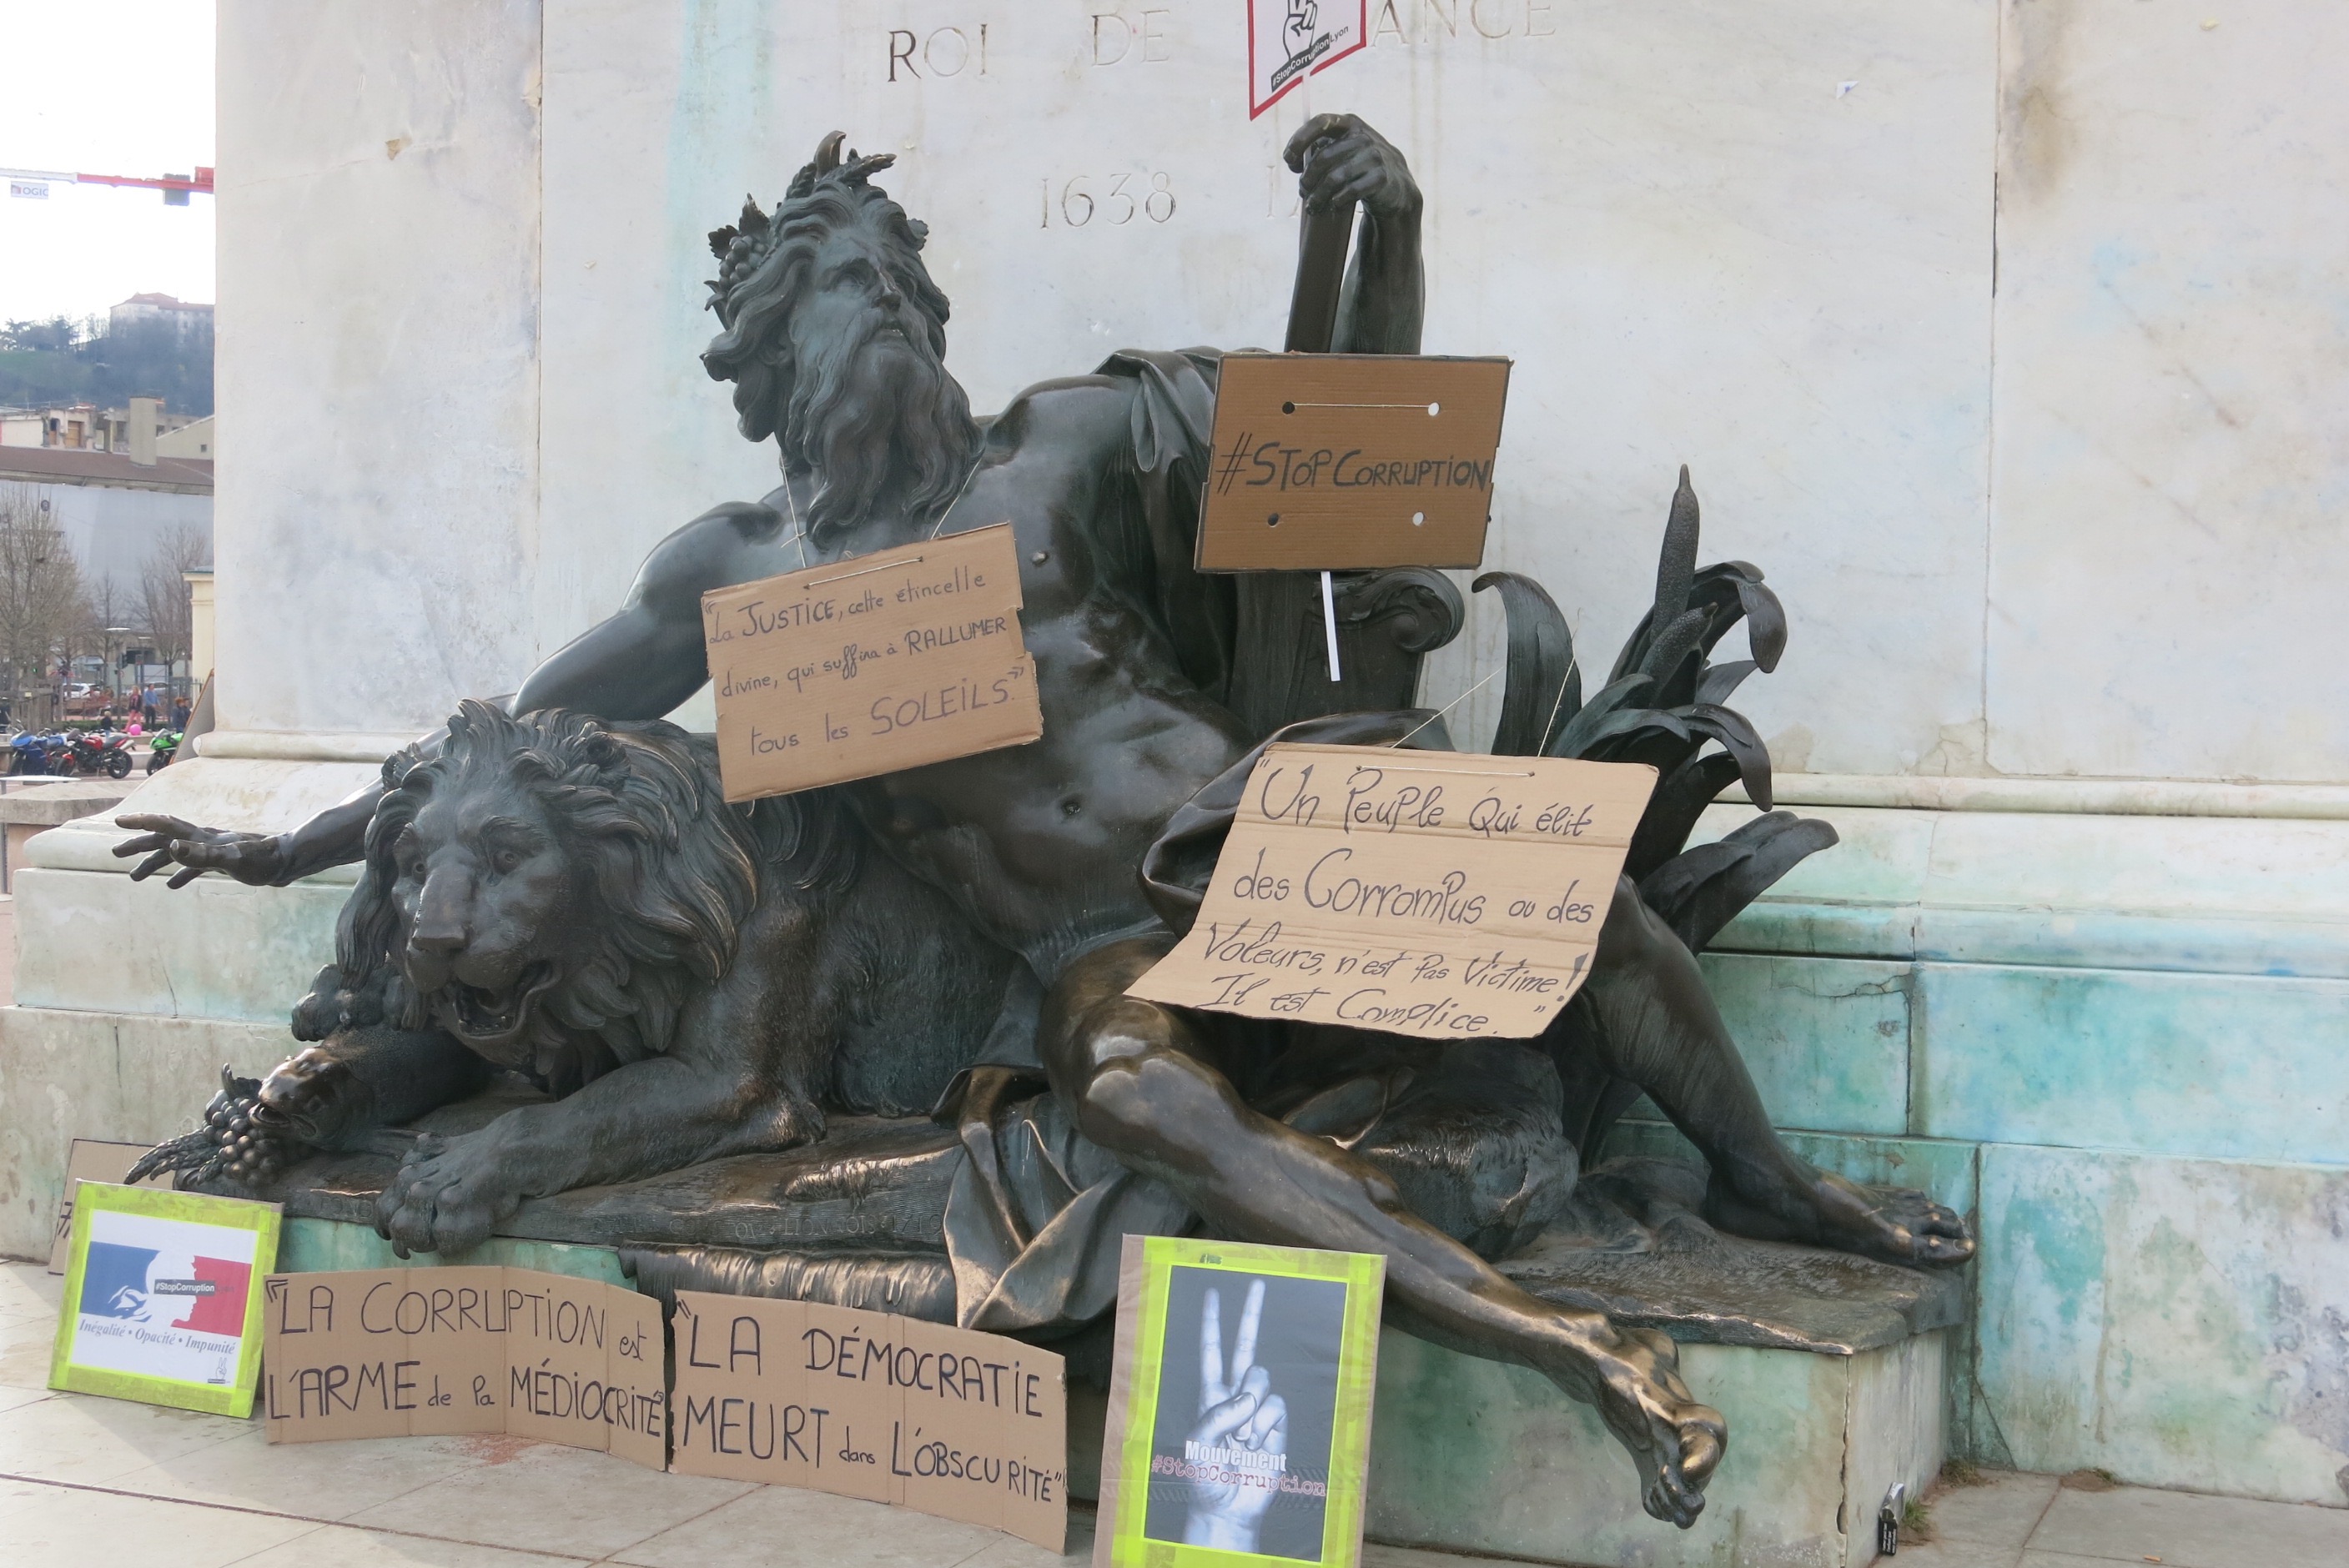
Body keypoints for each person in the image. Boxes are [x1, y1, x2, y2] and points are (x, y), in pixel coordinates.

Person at [116, 118, 1969, 1526]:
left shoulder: (1069, 446)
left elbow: (1343, 443)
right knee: (1133, 1093)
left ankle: (1766, 1177)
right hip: (1095, 956)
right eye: (832, 321)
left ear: (928, 321)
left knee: (1560, 892)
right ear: (768, 378)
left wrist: (1384, 224)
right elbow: (515, 728)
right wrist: (290, 844)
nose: (879, 343)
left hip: (1256, 835)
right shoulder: (743, 580)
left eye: (891, 304)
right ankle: (1567, 1343)